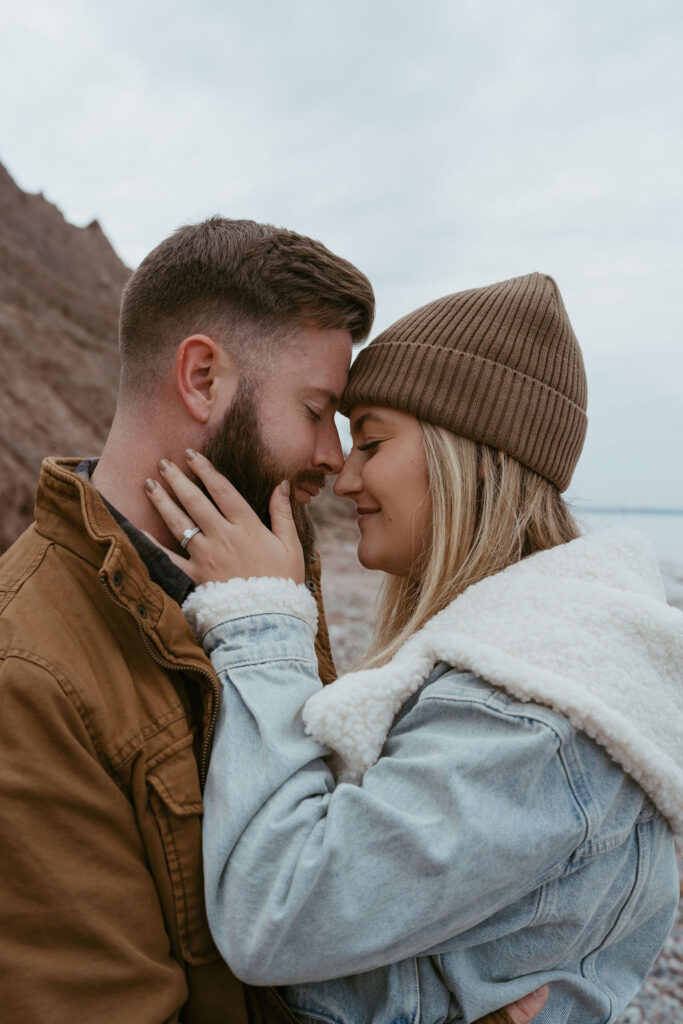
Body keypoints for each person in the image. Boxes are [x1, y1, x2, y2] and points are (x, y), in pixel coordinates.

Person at [0, 218, 541, 1024]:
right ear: (202, 379)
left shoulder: (265, 575)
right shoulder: (28, 675)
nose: (334, 456)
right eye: (318, 409)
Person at [145, 273, 682, 1023]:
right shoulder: (555, 668)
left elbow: (276, 914)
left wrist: (259, 620)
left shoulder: (524, 716)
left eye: (370, 439)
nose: (345, 475)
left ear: (469, 455)